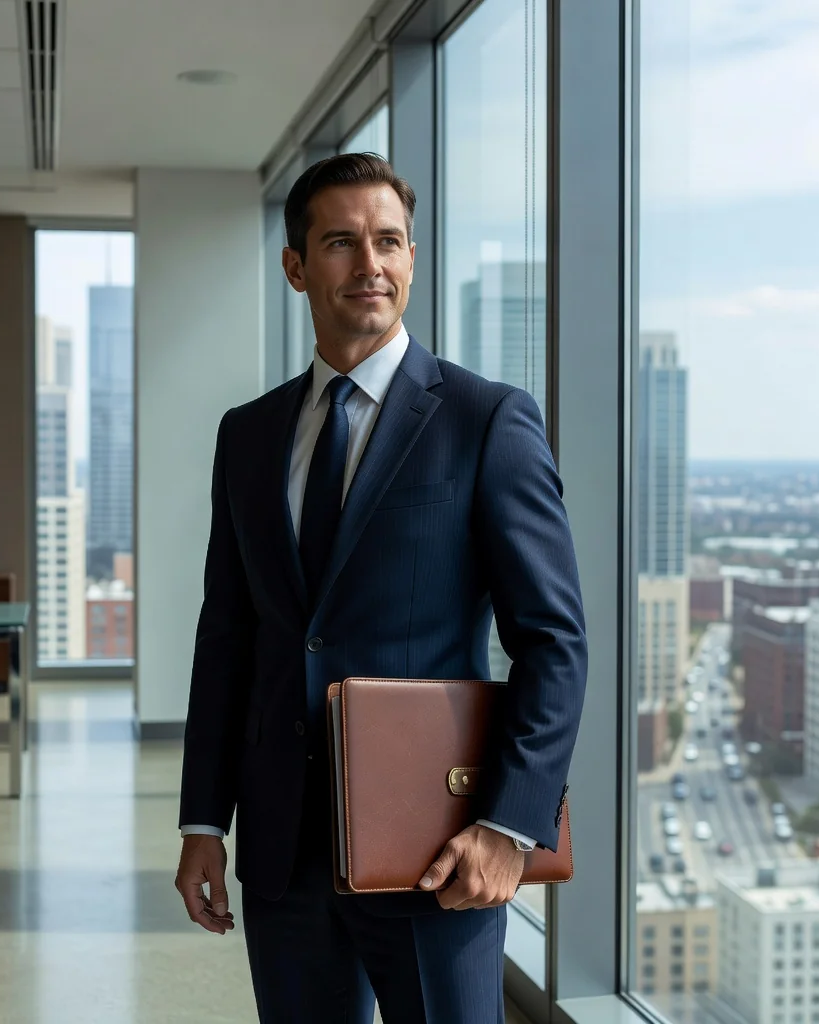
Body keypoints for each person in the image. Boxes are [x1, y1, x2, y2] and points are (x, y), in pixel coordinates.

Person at [175, 152, 588, 1023]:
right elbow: (229, 639)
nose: (371, 263)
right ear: (295, 267)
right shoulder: (247, 437)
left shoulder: (487, 421)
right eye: (341, 242)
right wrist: (204, 821)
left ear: (410, 258)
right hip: (284, 852)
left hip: (436, 847)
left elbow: (553, 640)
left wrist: (513, 826)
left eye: (390, 241)